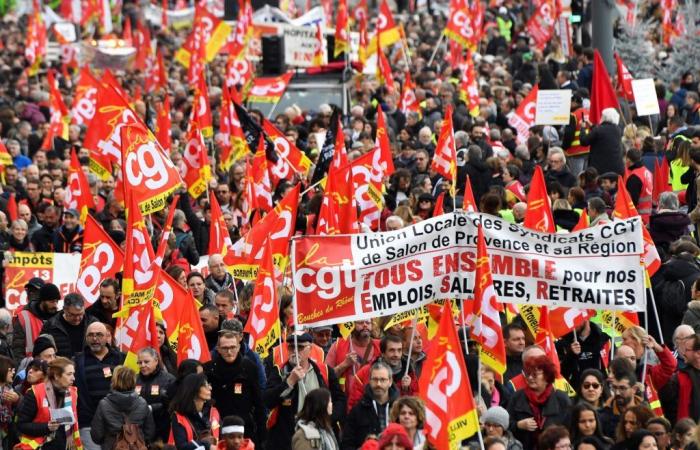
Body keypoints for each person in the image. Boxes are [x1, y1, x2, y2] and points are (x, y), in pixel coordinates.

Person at [265, 333, 345, 450]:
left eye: (300, 347)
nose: (295, 351)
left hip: (320, 435)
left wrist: (328, 419)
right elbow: (267, 400)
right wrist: (289, 382)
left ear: (310, 349)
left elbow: (340, 399)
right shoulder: (279, 371)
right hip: (288, 437)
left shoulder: (325, 371)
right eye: (291, 347)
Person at [204, 331, 265, 446]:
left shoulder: (249, 367)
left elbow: (258, 402)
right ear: (218, 349)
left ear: (238, 347)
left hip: (244, 429)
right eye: (225, 348)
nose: (229, 351)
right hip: (217, 428)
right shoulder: (209, 369)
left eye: (232, 347)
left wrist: (262, 435)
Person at [74, 321, 125, 450]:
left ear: (107, 337)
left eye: (99, 335)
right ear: (86, 338)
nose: (95, 339)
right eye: (91, 335)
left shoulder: (121, 358)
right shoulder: (77, 361)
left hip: (116, 422)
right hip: (88, 422)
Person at [507, 354, 571, 449]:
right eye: (528, 374)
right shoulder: (517, 397)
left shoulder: (561, 398)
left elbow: (570, 427)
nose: (530, 378)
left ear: (547, 376)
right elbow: (506, 425)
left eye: (535, 375)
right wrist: (518, 425)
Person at [16, 357, 81, 450]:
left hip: (66, 445)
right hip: (41, 446)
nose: (73, 378)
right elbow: (22, 425)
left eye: (73, 374)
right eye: (69, 374)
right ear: (56, 376)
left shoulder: (73, 392)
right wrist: (47, 427)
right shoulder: (35, 393)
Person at [90, 365, 155, 449]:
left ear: (114, 380)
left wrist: (107, 441)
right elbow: (150, 432)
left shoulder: (104, 404)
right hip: (136, 446)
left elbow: (96, 435)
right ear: (133, 380)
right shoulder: (142, 402)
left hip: (112, 446)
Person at [347, 335, 417, 412]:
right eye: (392, 350)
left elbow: (414, 405)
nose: (396, 354)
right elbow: (354, 404)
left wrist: (406, 389)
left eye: (399, 350)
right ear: (383, 353)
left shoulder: (408, 373)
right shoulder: (366, 372)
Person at [341, 361, 399, 450]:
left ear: (390, 381)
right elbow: (347, 444)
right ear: (369, 381)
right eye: (375, 379)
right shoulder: (358, 411)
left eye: (382, 380)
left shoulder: (400, 409)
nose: (378, 384)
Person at [325, 320, 381, 395]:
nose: (365, 325)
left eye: (368, 323)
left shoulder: (380, 345)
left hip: (373, 399)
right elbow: (326, 376)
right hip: (346, 400)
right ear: (352, 325)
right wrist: (344, 364)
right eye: (360, 322)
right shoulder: (338, 345)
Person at [169, 373, 221, 450]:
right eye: (205, 385)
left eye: (209, 384)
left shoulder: (213, 412)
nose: (210, 388)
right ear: (194, 389)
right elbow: (181, 446)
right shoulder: (179, 416)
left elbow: (222, 437)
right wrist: (206, 445)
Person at [12, 280, 58, 363]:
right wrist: (23, 370)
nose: (55, 305)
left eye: (56, 301)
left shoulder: (58, 319)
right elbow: (17, 349)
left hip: (54, 370)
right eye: (29, 291)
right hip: (32, 370)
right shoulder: (23, 316)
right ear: (42, 300)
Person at [40, 292, 98, 358]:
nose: (77, 318)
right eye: (72, 315)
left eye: (80, 314)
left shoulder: (92, 323)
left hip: (89, 366)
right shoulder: (51, 326)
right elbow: (42, 350)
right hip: (61, 366)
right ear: (64, 309)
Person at [136, 347, 176, 443]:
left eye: (146, 362)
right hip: (140, 429)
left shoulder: (169, 379)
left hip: (162, 429)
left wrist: (151, 408)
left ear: (156, 361)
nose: (142, 365)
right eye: (140, 363)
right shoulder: (134, 379)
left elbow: (173, 403)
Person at [580, 108, 625, 176]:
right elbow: (603, 133)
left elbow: (584, 141)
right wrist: (592, 126)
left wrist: (582, 128)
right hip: (616, 168)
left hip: (600, 169)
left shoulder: (599, 130)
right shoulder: (617, 129)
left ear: (604, 117)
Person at [624, 149, 653, 224]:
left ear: (628, 160)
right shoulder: (647, 172)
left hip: (639, 219)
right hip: (648, 216)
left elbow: (631, 202)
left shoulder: (634, 177)